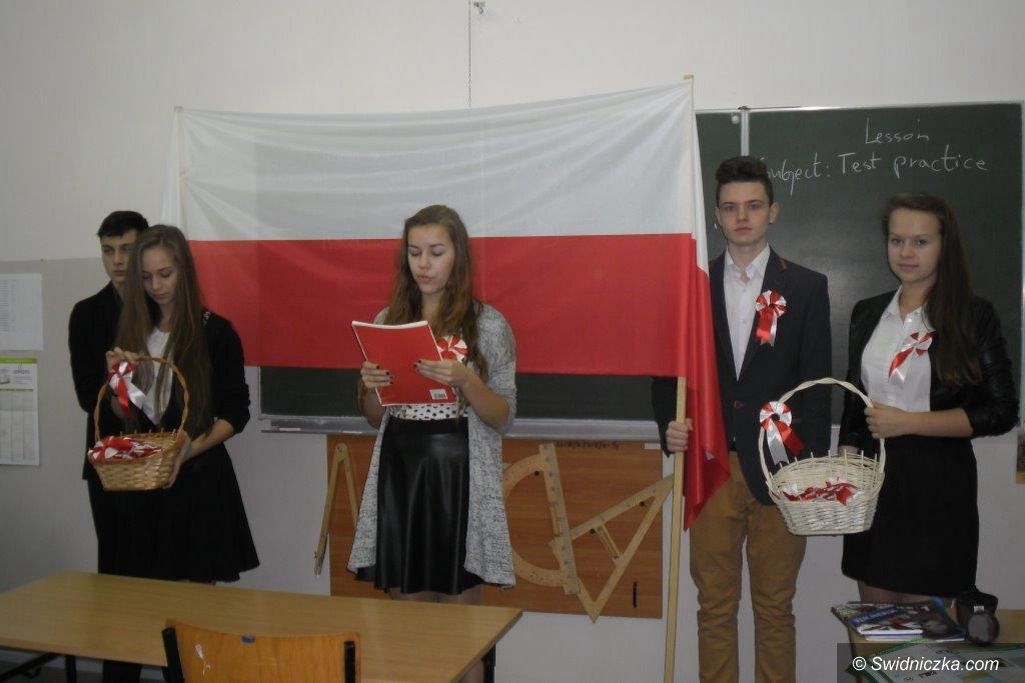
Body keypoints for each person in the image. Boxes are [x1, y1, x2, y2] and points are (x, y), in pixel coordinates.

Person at [652, 156, 831, 682]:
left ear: (772, 210)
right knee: (714, 607)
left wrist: (809, 471)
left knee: (775, 608)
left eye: (753, 206)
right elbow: (666, 373)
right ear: (717, 216)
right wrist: (669, 425)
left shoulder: (805, 287)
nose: (742, 217)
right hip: (711, 465)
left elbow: (818, 384)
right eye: (730, 208)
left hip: (781, 470)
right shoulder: (692, 285)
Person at [348, 205, 516, 682]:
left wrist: (466, 381)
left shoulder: (488, 325)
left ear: (458, 256)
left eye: (436, 252)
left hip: (458, 477)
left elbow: (504, 416)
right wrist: (370, 387)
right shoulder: (388, 319)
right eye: (414, 252)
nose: (424, 264)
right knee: (409, 632)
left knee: (463, 634)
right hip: (402, 474)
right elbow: (375, 417)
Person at [839, 193, 1017, 604]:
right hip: (874, 486)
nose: (906, 252)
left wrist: (910, 422)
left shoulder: (973, 315)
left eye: (920, 242)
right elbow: (853, 402)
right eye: (896, 240)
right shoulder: (867, 313)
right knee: (875, 628)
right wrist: (846, 470)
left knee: (925, 635)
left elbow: (1001, 411)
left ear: (944, 245)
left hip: (938, 486)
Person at [102, 225, 259, 681]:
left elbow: (236, 414)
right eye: (147, 277)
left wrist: (187, 452)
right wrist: (118, 382)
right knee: (149, 603)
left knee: (196, 612)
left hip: (198, 480)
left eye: (165, 274)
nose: (156, 286)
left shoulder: (216, 333)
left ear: (185, 272)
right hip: (148, 484)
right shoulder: (133, 330)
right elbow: (126, 414)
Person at [68, 210, 148, 574]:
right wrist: (121, 384)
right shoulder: (86, 314)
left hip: (162, 454)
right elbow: (88, 397)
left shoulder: (164, 308)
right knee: (115, 567)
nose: (117, 260)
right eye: (108, 250)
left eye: (127, 249)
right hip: (109, 456)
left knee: (163, 569)